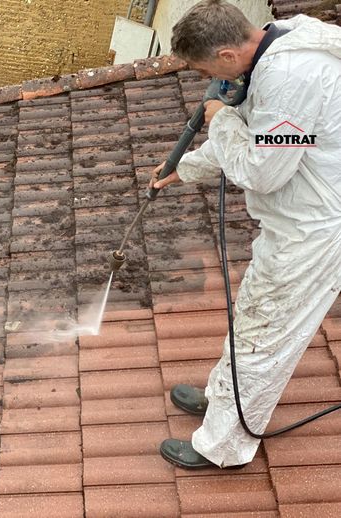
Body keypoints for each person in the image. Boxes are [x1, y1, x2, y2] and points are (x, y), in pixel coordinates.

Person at [151, 0, 341, 469]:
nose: (205, 83)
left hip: (318, 227)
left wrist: (220, 118)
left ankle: (222, 446)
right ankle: (223, 396)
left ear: (227, 56)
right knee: (255, 315)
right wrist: (186, 169)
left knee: (265, 329)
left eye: (203, 70)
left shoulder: (293, 78)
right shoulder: (273, 43)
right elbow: (266, 134)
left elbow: (263, 168)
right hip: (305, 211)